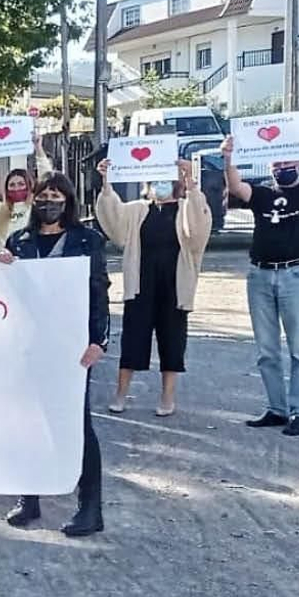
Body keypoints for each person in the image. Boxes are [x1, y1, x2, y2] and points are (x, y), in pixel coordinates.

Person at [0, 173, 110, 537]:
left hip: (72, 347)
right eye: (43, 196)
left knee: (77, 423)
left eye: (56, 196)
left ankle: (89, 507)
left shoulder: (87, 241)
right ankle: (29, 498)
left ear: (68, 201)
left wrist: (99, 340)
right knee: (30, 419)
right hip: (30, 345)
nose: (48, 202)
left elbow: (99, 292)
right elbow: (7, 291)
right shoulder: (20, 241)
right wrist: (0, 265)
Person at [223, 129, 299, 437]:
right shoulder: (263, 195)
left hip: (297, 276)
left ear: (297, 163)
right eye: (277, 164)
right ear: (270, 167)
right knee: (267, 350)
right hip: (260, 276)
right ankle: (276, 408)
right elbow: (236, 186)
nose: (282, 168)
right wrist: (228, 156)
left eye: (287, 163)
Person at [96, 159, 211, 416]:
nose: (160, 186)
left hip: (175, 286)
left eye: (166, 180)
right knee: (133, 339)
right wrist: (106, 182)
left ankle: (167, 396)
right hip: (140, 285)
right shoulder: (138, 209)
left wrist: (192, 184)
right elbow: (114, 220)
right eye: (156, 181)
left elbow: (199, 230)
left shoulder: (184, 207)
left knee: (172, 340)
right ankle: (121, 394)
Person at [0, 136, 53, 246]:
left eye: (21, 184)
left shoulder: (36, 207)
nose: (16, 188)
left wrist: (38, 148)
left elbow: (47, 181)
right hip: (4, 260)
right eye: (12, 185)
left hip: (32, 260)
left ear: (29, 186)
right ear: (6, 189)